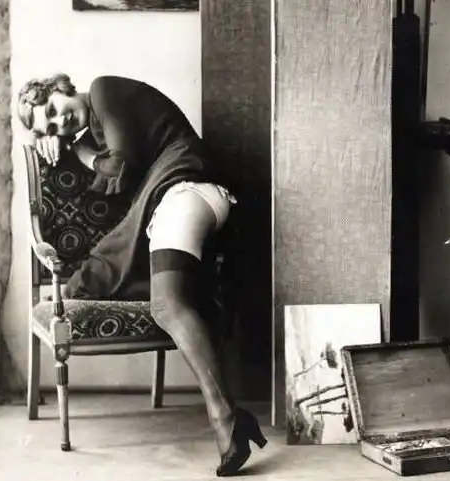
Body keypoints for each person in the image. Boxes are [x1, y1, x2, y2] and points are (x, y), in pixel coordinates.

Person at [17, 74, 267, 476]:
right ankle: (231, 417)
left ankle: (225, 417)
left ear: (61, 87)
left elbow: (119, 168)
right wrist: (51, 138)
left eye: (53, 109)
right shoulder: (96, 126)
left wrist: (79, 150)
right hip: (178, 199)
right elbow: (114, 179)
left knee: (166, 306)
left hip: (187, 189)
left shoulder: (104, 90)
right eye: (50, 127)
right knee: (128, 289)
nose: (59, 122)